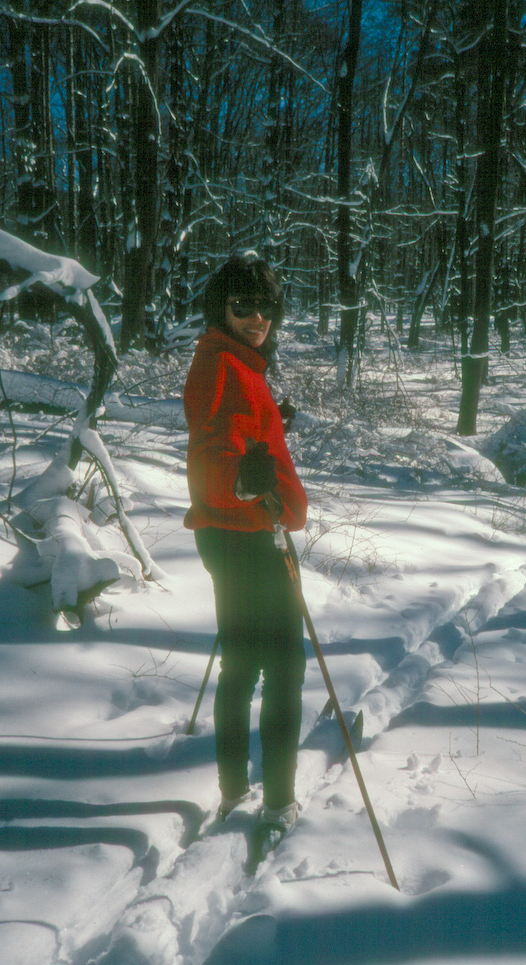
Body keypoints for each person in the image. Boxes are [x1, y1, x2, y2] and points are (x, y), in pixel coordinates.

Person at [183, 254, 308, 834]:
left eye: (267, 308)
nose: (258, 318)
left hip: (234, 535)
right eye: (243, 307)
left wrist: (268, 421)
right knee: (283, 666)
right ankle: (279, 802)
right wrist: (244, 478)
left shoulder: (235, 360)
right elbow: (215, 452)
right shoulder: (222, 364)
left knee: (241, 664)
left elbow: (229, 427)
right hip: (248, 535)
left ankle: (235, 791)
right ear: (220, 309)